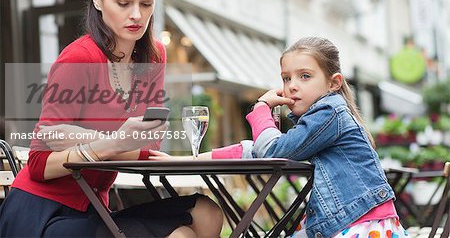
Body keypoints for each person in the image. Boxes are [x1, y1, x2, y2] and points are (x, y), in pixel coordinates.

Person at [0, 0, 222, 238]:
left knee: (207, 212)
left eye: (146, 3)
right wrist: (113, 142)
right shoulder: (79, 58)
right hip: (42, 215)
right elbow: (40, 164)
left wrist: (85, 138)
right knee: (181, 235)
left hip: (95, 208)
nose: (136, 15)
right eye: (123, 2)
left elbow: (149, 145)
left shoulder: (153, 55)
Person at [150, 37, 409, 238]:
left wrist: (261, 108)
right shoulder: (318, 123)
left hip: (361, 225)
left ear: (334, 83)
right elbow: (252, 150)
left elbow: (272, 151)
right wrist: (186, 160)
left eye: (305, 76)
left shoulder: (330, 111)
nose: (292, 85)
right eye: (286, 78)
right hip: (347, 221)